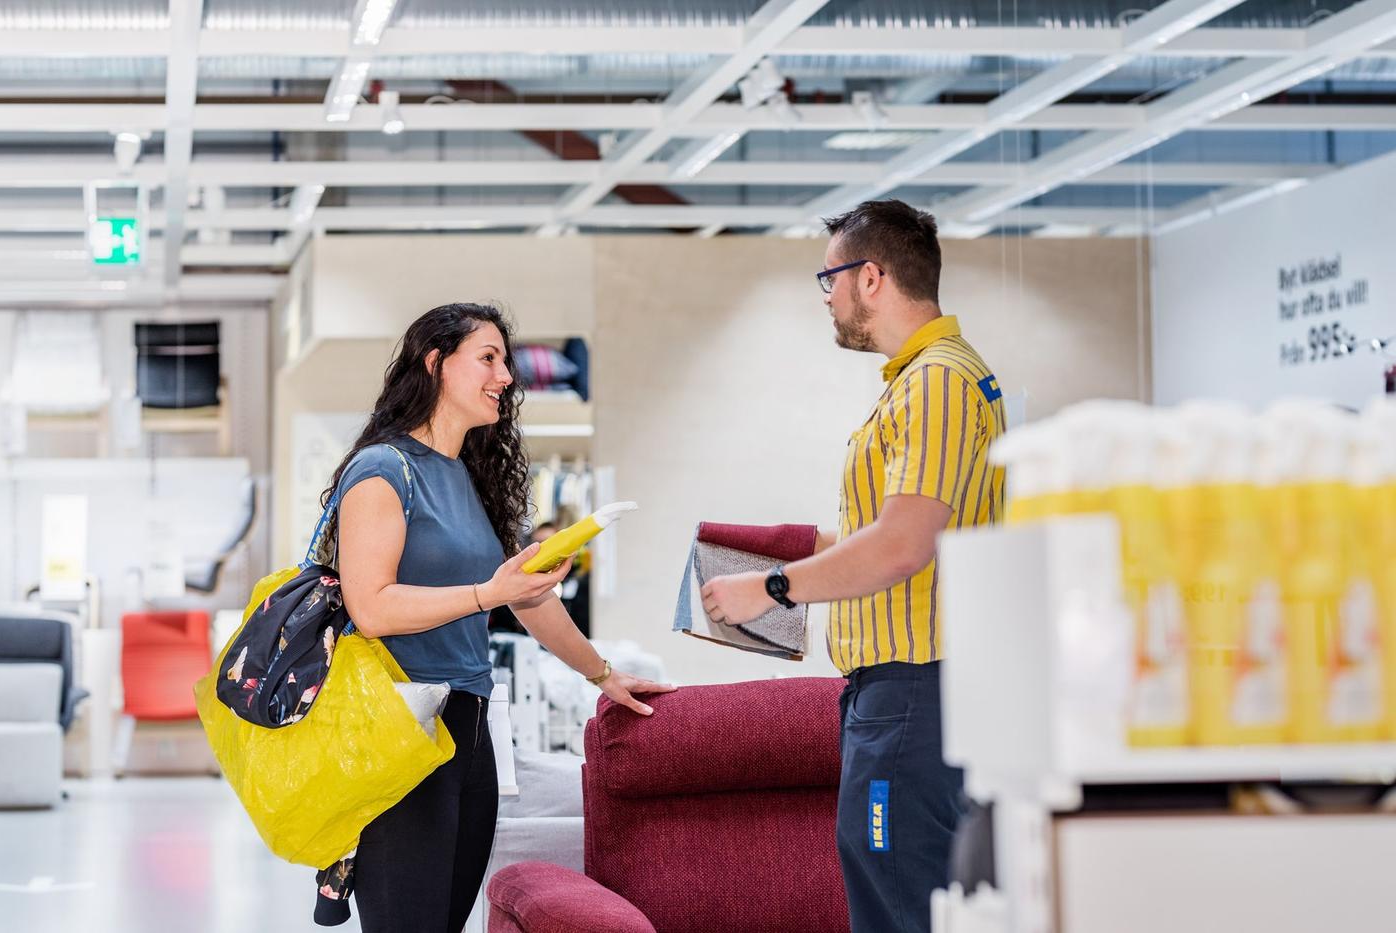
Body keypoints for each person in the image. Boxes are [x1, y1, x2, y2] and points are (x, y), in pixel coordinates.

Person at [700, 200, 1005, 932]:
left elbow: (902, 544)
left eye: (828, 278)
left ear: (871, 277)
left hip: (913, 693)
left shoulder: (936, 382)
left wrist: (770, 589)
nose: (827, 297)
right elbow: (902, 529)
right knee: (897, 892)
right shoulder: (925, 381)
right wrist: (787, 547)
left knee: (897, 900)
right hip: (902, 694)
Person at [326, 302, 674, 933]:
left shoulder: (478, 477)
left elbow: (529, 598)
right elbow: (371, 607)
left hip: (473, 721)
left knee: (447, 918)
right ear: (436, 364)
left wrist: (604, 676)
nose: (506, 376)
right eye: (488, 358)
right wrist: (487, 593)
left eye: (506, 362)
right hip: (399, 726)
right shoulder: (382, 470)